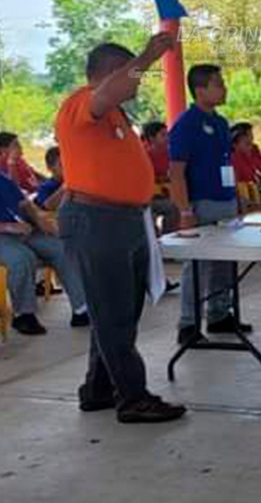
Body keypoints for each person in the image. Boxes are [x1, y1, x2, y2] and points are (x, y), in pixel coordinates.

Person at [56, 34, 187, 422]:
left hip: (124, 220)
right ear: (111, 73)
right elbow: (114, 89)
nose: (139, 81)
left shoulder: (114, 116)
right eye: (133, 74)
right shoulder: (81, 102)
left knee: (117, 312)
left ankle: (98, 389)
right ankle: (133, 398)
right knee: (114, 314)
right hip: (97, 221)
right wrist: (151, 52)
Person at [168, 64, 247, 346]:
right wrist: (185, 210)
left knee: (225, 262)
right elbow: (176, 172)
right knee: (198, 265)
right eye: (219, 84)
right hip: (201, 203)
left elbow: (226, 163)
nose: (224, 88)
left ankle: (219, 313)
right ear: (200, 90)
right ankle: (188, 324)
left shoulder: (222, 123)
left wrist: (235, 197)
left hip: (224, 200)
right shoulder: (186, 125)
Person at [1, 166, 89, 334]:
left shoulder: (3, 179)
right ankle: (23, 315)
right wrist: (7, 227)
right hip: (5, 233)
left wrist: (39, 219)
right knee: (22, 258)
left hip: (23, 229)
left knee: (61, 248)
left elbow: (25, 203)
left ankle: (82, 309)